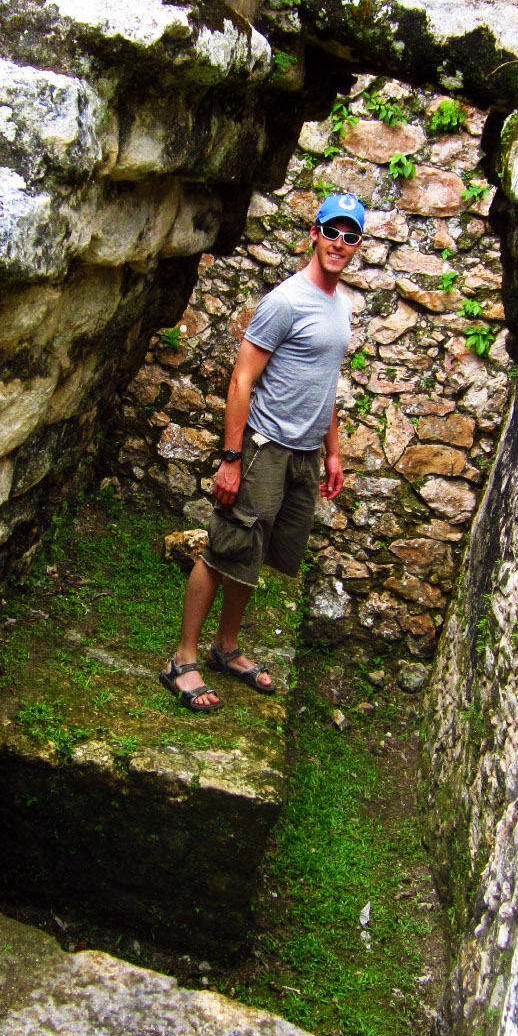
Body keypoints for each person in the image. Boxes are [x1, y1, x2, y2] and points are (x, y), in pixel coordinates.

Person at [159, 192, 365, 711]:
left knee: (257, 551)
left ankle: (226, 648)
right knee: (225, 547)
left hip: (304, 455)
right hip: (264, 447)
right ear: (314, 233)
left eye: (350, 235)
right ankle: (182, 660)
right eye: (332, 231)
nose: (339, 243)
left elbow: (325, 384)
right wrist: (231, 460)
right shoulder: (286, 301)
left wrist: (333, 452)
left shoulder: (341, 307)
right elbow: (241, 380)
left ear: (357, 245)